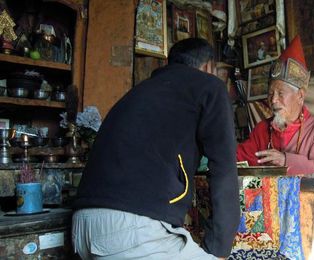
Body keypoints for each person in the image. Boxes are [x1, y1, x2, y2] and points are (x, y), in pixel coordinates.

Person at [72, 38, 240, 259]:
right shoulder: (210, 86)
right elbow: (225, 167)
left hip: (82, 227)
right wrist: (220, 248)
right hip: (131, 232)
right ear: (208, 67)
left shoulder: (139, 92)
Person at [237, 35, 314, 176]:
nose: (274, 100)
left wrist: (286, 161)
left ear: (300, 96)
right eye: (271, 93)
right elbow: (239, 158)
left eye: (281, 93)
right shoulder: (262, 130)